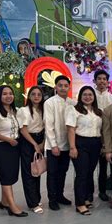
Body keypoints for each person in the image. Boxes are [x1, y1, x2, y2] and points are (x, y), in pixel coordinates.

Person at [0, 85, 27, 217]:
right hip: (1, 147)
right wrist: (9, 140)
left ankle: (4, 201)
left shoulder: (15, 111)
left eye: (11, 93)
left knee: (12, 175)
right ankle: (12, 206)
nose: (8, 96)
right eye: (4, 94)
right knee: (6, 177)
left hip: (14, 147)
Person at [66, 86, 103, 216]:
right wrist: (72, 147)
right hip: (80, 143)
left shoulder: (98, 112)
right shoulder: (74, 110)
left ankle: (87, 198)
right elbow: (70, 129)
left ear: (94, 97)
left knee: (89, 172)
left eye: (90, 95)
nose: (88, 97)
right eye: (85, 95)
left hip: (96, 143)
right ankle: (80, 203)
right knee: (81, 173)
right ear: (80, 96)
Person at [44, 76, 76, 211]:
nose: (63, 88)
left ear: (69, 87)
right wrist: (54, 145)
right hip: (53, 145)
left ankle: (60, 195)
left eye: (65, 86)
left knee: (63, 171)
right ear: (55, 87)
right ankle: (52, 199)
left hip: (67, 145)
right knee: (52, 173)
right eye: (60, 85)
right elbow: (48, 125)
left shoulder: (72, 103)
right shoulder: (50, 103)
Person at [17, 86, 45, 214]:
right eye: (33, 94)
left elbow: (46, 128)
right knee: (28, 172)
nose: (36, 96)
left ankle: (36, 198)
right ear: (29, 96)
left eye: (39, 94)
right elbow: (23, 130)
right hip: (28, 141)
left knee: (37, 170)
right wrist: (34, 144)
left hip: (40, 140)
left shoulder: (42, 110)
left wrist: (42, 143)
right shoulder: (24, 110)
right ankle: (32, 203)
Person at [93, 69, 112, 202]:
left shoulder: (111, 97)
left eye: (104, 79)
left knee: (103, 167)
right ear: (95, 81)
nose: (102, 81)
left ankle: (102, 191)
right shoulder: (90, 95)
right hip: (92, 135)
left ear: (107, 82)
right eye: (99, 78)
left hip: (106, 136)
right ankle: (88, 192)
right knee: (89, 167)